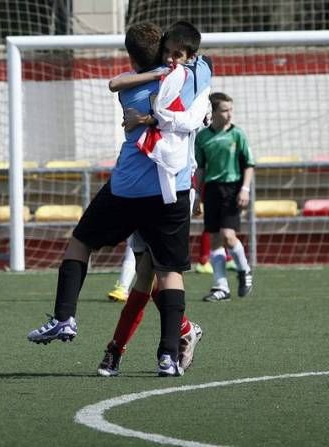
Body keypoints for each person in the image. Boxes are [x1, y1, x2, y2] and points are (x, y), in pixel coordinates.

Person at [27, 22, 208, 376]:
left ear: (130, 55)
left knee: (86, 244)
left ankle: (69, 319)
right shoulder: (194, 76)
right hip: (172, 190)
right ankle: (168, 352)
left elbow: (116, 85)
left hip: (129, 189)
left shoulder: (131, 89)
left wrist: (148, 104)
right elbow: (198, 79)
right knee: (160, 273)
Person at [96, 21, 211, 377]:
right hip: (143, 187)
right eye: (167, 51)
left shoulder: (195, 75)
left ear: (191, 55)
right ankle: (181, 332)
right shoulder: (157, 78)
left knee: (151, 275)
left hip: (172, 186)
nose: (172, 58)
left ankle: (120, 349)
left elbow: (190, 119)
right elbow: (117, 84)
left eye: (178, 53)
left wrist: (146, 117)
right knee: (150, 275)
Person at [195, 92, 255, 301]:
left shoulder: (237, 134)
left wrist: (245, 189)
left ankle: (244, 270)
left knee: (228, 235)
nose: (229, 114)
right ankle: (221, 287)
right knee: (214, 239)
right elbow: (200, 168)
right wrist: (196, 194)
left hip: (232, 189)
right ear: (213, 112)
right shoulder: (202, 137)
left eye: (231, 109)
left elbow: (248, 164)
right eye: (224, 110)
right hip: (212, 190)